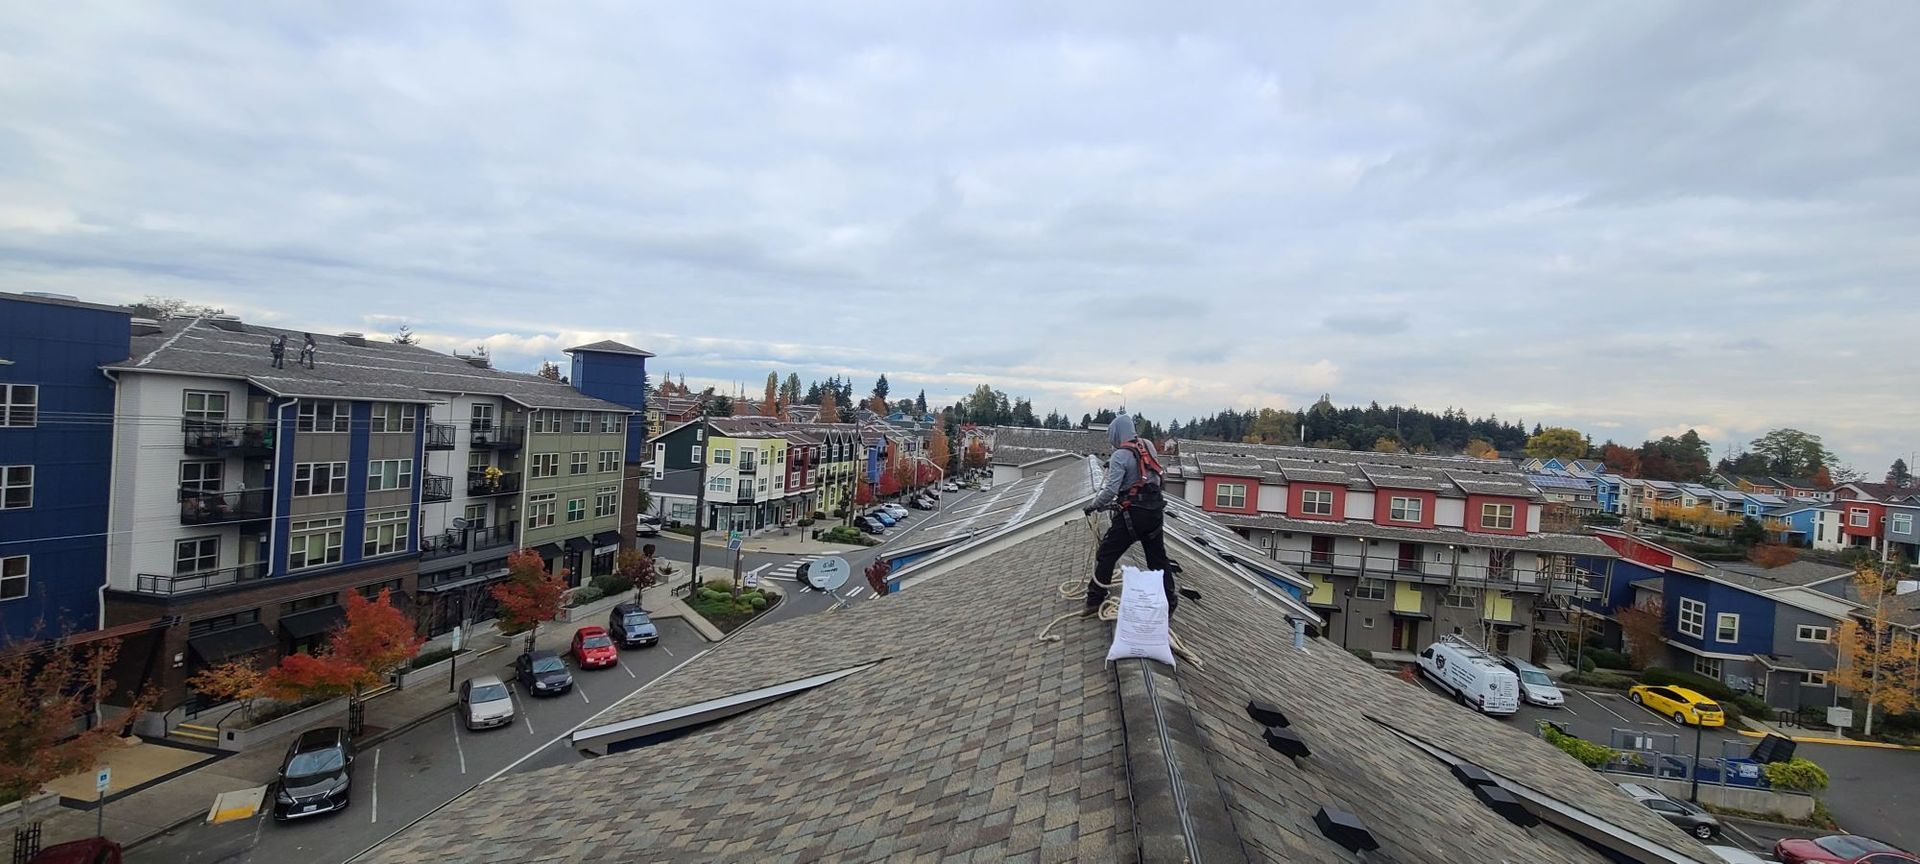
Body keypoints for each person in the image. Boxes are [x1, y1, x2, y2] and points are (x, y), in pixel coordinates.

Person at [1080, 414, 1176, 616]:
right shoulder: (1147, 445)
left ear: (1116, 434)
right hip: (1155, 511)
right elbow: (1144, 470)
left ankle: (1094, 600)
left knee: (1106, 553)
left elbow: (1111, 490)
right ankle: (1169, 602)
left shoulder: (1119, 456)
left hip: (1133, 514)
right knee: (1158, 560)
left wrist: (1094, 506)